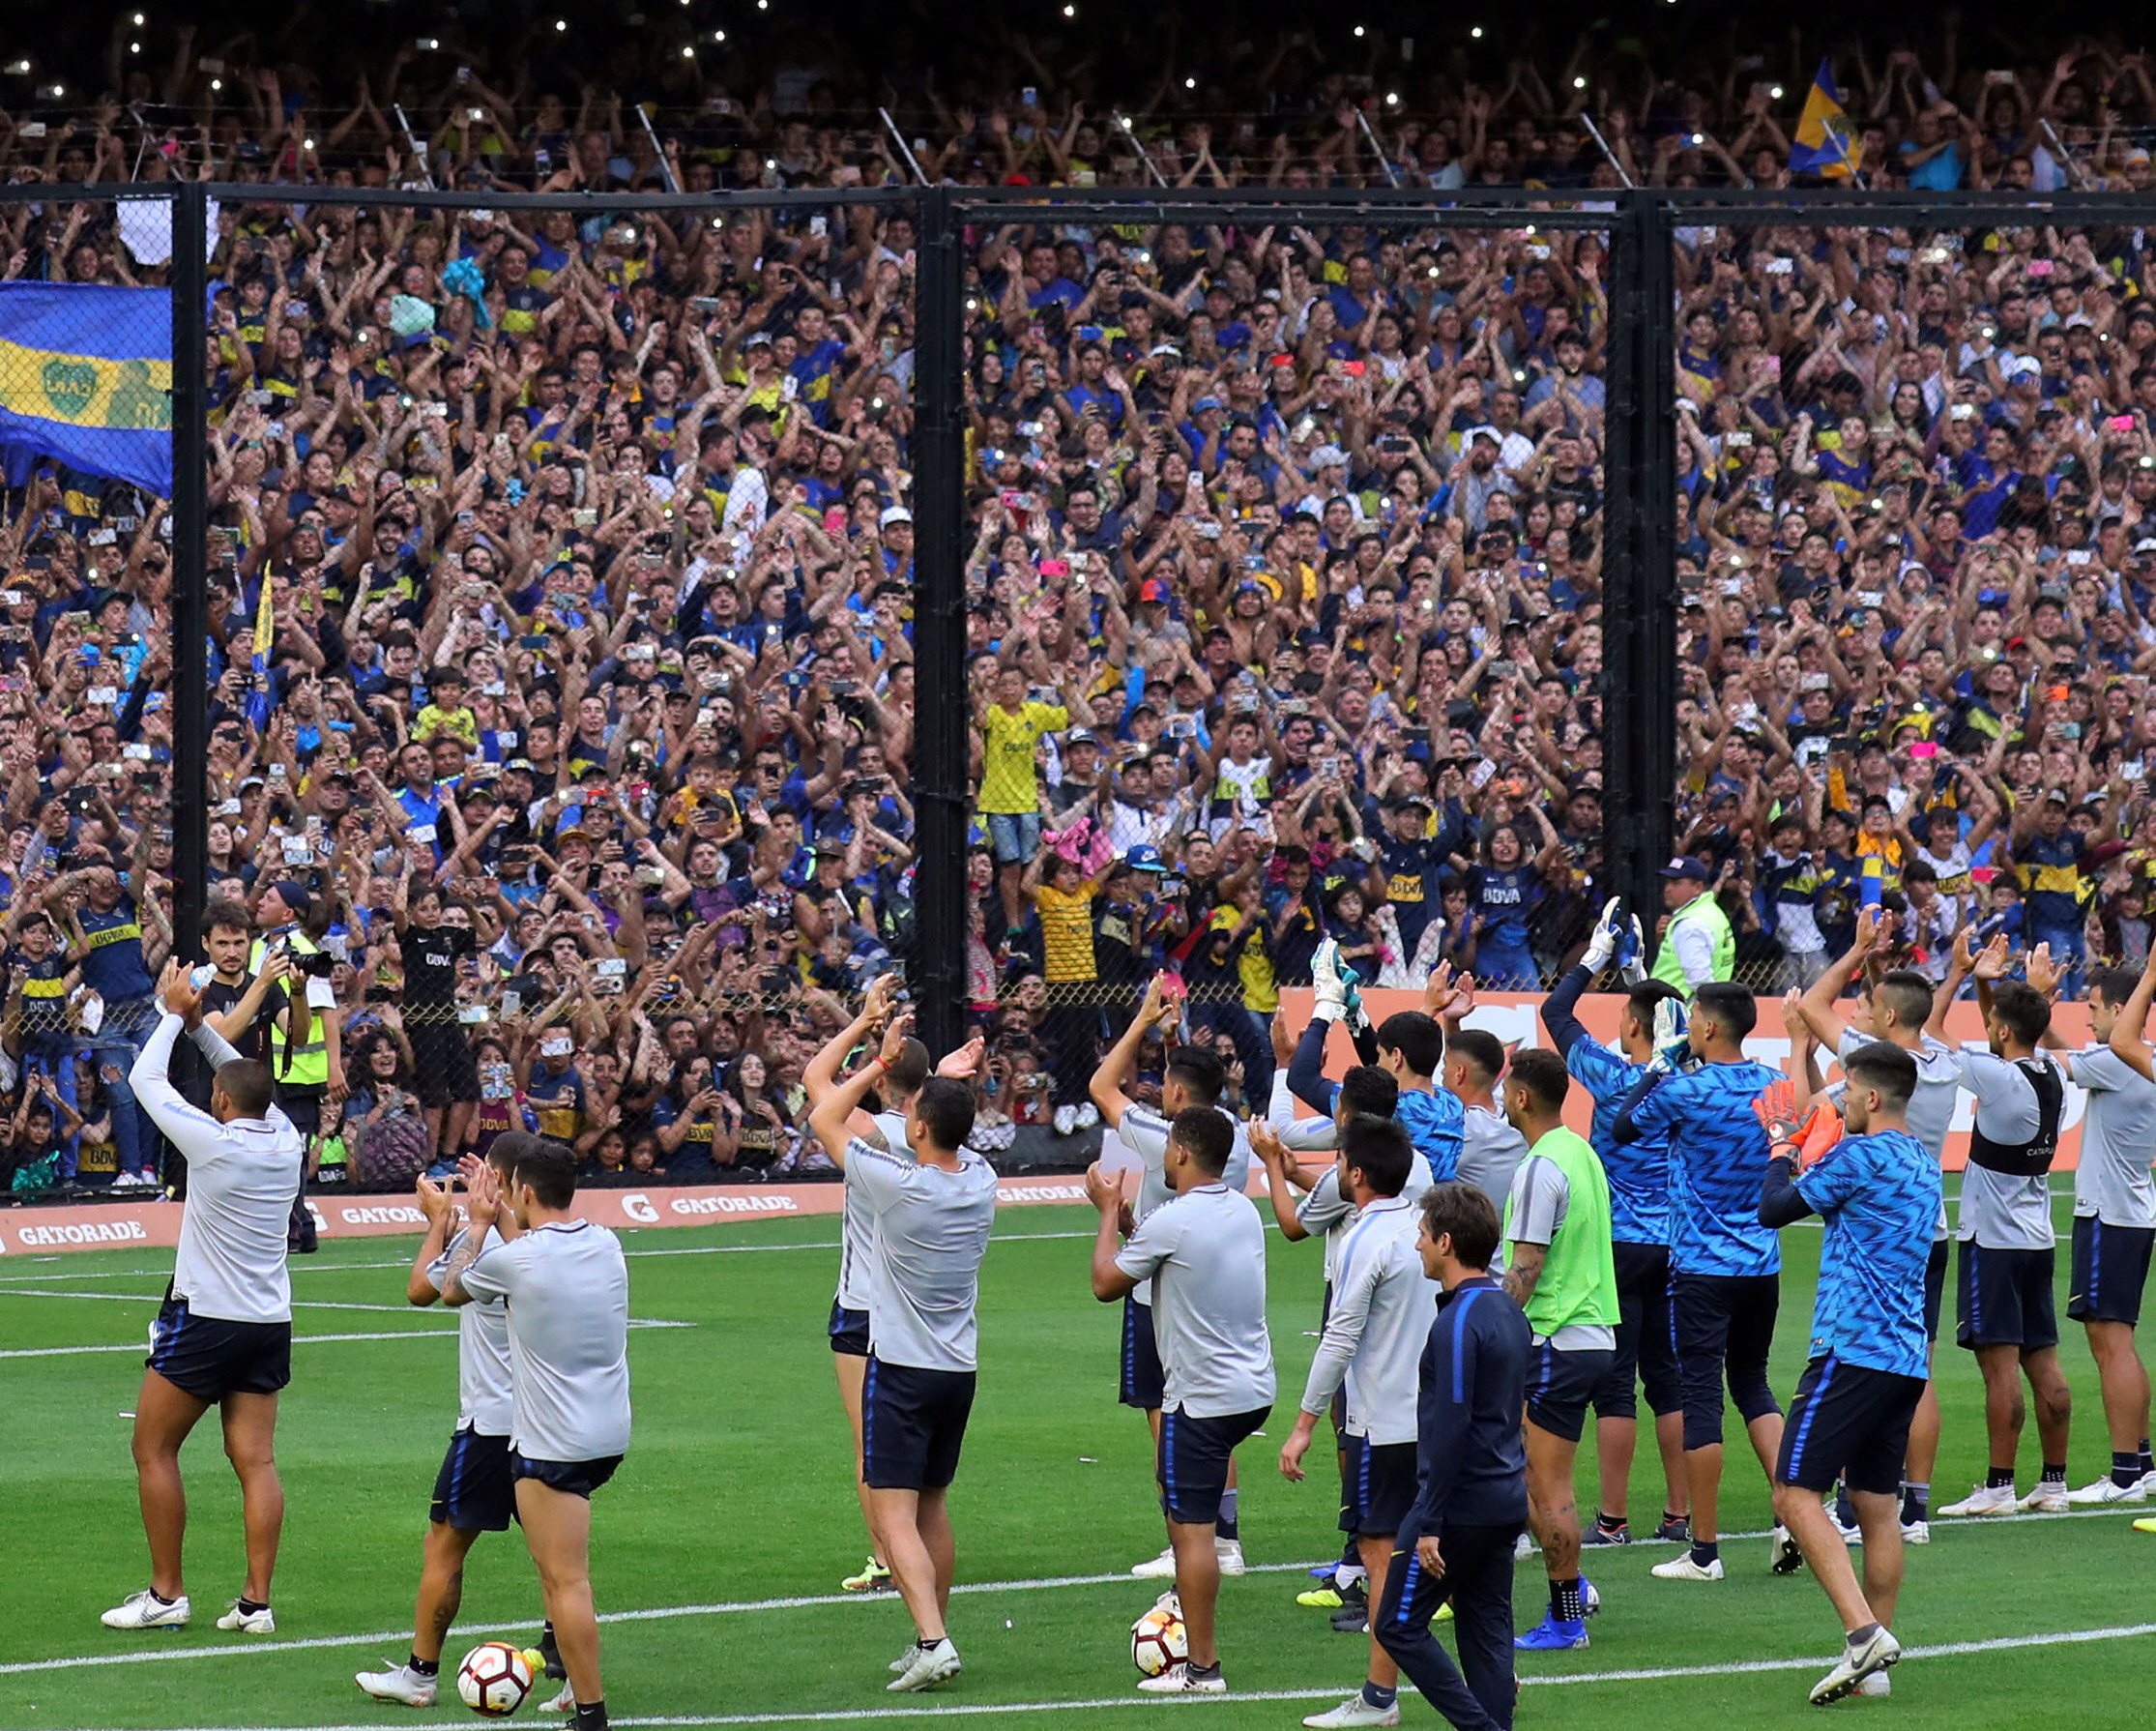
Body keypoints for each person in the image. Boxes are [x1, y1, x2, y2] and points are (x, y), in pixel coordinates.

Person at [102, 958, 304, 1634]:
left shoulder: (213, 1142)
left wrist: (170, 1013)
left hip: (207, 1320)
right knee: (257, 1461)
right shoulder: (288, 1138)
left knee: (153, 1449)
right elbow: (243, 1079)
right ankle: (256, 1604)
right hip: (269, 1322)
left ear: (219, 1101)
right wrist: (199, 1026)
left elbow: (144, 1080)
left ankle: (166, 1595)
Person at [805, 1007, 996, 1694]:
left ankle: (933, 1641)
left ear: (917, 1128)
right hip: (958, 1370)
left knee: (893, 1512)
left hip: (901, 1369)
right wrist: (943, 1084)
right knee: (933, 1506)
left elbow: (823, 1115)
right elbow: (949, 1129)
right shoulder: (982, 1180)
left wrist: (883, 1063)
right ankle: (929, 1631)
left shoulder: (896, 1184)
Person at [1758, 1042, 1940, 1706]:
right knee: (1877, 1505)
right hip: (1904, 1358)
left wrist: (1782, 1144)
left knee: (1793, 1495)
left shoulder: (1860, 1157)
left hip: (1850, 1352)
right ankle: (1875, 1663)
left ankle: (1863, 1635)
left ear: (1871, 1097)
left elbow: (1774, 1209)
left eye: (1847, 1089)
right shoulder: (1922, 1162)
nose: (1841, 1098)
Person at [355, 1132, 564, 1710]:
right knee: (557, 1556)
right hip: (547, 1423)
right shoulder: (554, 1245)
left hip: (491, 1426)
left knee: (444, 1543)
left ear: (505, 1185)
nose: (473, 1186)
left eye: (483, 1177)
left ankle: (420, 1675)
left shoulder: (486, 1245)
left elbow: (423, 1290)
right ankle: (571, 1673)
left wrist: (440, 1223)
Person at [437, 1137, 630, 1731]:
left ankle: (590, 1713)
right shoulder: (606, 1242)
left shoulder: (512, 1259)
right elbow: (534, 1257)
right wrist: (502, 1215)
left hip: (551, 1442)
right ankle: (574, 1689)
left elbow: (449, 1288)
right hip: (608, 1433)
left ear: (521, 1191)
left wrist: (476, 1222)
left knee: (564, 1580)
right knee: (562, 1575)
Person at [1787, 906, 1963, 1541]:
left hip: (1877, 1227)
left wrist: (1858, 949)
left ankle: (1850, 1495)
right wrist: (1955, 977)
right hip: (1929, 1225)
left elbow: (1812, 1005)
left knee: (1865, 1351)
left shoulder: (1876, 1063)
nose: (1858, 1015)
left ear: (1887, 1020)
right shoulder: (1944, 1062)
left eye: (1867, 1008)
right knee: (1916, 1365)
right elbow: (1926, 1020)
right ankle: (1914, 1504)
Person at [1086, 1105, 1274, 1699]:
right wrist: (1129, 1227)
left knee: (1189, 1533)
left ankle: (1201, 1668)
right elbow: (1178, 1258)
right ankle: (1194, 1609)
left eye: (1169, 1145)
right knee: (1198, 1522)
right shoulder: (1242, 1209)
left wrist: (1105, 1216)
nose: (1164, 1155)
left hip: (1199, 1400)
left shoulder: (1172, 1218)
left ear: (1184, 1154)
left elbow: (1105, 1283)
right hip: (1253, 1392)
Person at [1615, 982, 1792, 1581]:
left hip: (1701, 1269)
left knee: (1700, 1396)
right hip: (1761, 1265)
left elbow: (1624, 1127)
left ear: (1710, 1028)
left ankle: (1704, 1552)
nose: (1687, 1026)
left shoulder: (1686, 1090)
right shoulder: (1773, 1083)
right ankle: (1793, 1513)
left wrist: (1658, 1066)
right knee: (1754, 1384)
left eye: (1692, 1018)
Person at [1089, 973, 1257, 1579]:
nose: (1158, 1090)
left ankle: (1185, 1535)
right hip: (1212, 1283)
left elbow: (1100, 1086)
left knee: (1168, 1417)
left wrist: (1140, 1020)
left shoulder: (1164, 1136)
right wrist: (1172, 1036)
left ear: (1179, 1094)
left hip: (1156, 1290)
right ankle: (1226, 1539)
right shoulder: (1232, 1138)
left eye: (1165, 1083)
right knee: (1210, 1418)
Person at [1538, 901, 1690, 1548]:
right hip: (1675, 1245)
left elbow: (1555, 1014)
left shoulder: (1610, 1074)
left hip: (1618, 1245)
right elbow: (1667, 1019)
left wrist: (1595, 959)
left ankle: (1613, 1520)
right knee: (1669, 1379)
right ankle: (1679, 1515)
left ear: (1630, 1024)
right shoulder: (1687, 1080)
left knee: (1616, 1386)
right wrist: (1638, 975)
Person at [1275, 1117, 1433, 1729]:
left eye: (1341, 1161)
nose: (1337, 1168)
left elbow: (1339, 1339)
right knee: (1447, 1549)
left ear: (1357, 1174)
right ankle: (1493, 1675)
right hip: (1435, 1420)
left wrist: (1304, 1424)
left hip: (1382, 1423)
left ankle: (1378, 1698)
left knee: (1379, 1553)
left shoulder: (1362, 1239)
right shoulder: (1427, 1231)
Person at [1371, 1181, 1530, 1731]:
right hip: (1505, 1499)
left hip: (1460, 1504)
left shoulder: (1457, 1322)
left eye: (1422, 1235)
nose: (1417, 1245)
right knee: (1486, 1634)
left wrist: (1431, 1521)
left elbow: (1453, 1423)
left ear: (1446, 1242)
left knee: (1397, 1625)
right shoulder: (1509, 1311)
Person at [1928, 931, 2076, 1518]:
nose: (1988, 1026)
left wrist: (1963, 974)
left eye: (1993, 1022)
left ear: (2005, 1032)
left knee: (1999, 1367)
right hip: (2038, 1238)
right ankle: (2055, 1484)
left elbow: (1932, 1031)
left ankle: (1998, 1487)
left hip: (1992, 1240)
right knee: (2044, 1360)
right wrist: (1992, 985)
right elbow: (2002, 1037)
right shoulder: (2052, 1073)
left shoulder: (2000, 1079)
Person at [1497, 1047, 1618, 1653]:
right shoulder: (1581, 1153)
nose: (1501, 1097)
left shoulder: (1541, 1167)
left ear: (1522, 1098)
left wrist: (1488, 1327)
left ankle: (1568, 1618)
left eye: (1506, 1089)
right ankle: (1574, 1583)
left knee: (1547, 1486)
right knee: (1522, 1473)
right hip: (1589, 1333)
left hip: (1555, 1338)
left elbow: (1528, 1263)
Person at [2061, 959, 2156, 1504]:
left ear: (2121, 1010)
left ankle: (2124, 1475)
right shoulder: (2137, 1061)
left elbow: (2039, 1058)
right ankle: (2142, 1463)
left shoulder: (2118, 1059)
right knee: (2122, 1341)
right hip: (2135, 1210)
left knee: (2110, 1343)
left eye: (2094, 1007)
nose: (2088, 1017)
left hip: (2107, 1213)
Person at [1648, 856, 1734, 998]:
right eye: (1668, 882)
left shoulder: (1691, 924)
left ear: (1698, 888)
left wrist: (1703, 1007)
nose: (1667, 889)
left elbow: (1699, 980)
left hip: (1678, 1008)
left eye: (1676, 883)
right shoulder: (1710, 911)